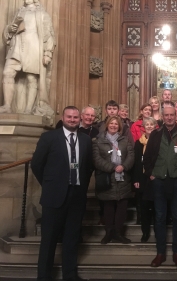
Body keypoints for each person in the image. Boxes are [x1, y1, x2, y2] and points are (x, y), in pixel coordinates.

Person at [31, 106, 92, 281]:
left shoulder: (86, 140)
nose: (72, 120)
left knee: (72, 238)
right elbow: (36, 164)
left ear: (79, 118)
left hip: (77, 196)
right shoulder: (49, 137)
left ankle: (70, 275)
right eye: (69, 117)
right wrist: (49, 184)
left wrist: (81, 186)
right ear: (63, 117)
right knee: (49, 240)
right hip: (54, 197)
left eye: (75, 117)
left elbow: (88, 168)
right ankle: (44, 276)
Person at [143, 106, 177, 268]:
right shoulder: (156, 135)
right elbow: (148, 156)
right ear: (163, 117)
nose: (170, 117)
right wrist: (150, 173)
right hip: (158, 180)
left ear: (176, 116)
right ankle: (160, 253)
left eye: (172, 115)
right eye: (167, 115)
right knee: (159, 217)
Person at [0, 0, 55, 117]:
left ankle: (28, 109)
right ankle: (7, 106)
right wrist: (10, 28)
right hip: (17, 47)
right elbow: (10, 31)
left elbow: (49, 34)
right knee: (7, 73)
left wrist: (47, 53)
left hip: (33, 48)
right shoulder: (19, 12)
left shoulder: (42, 14)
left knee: (32, 78)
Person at [92, 116, 135, 244]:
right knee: (108, 207)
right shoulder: (97, 141)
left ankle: (118, 233)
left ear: (119, 126)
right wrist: (112, 167)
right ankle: (109, 232)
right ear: (107, 125)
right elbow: (96, 159)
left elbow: (131, 156)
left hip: (123, 178)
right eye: (111, 123)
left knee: (122, 207)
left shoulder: (125, 140)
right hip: (107, 178)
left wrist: (123, 166)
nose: (114, 125)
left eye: (116, 124)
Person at [133, 117, 157, 242]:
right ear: (143, 127)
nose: (149, 126)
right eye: (146, 124)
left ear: (155, 126)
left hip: (155, 177)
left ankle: (158, 232)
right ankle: (145, 232)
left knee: (156, 207)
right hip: (142, 178)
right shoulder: (138, 143)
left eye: (151, 124)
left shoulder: (159, 141)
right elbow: (136, 162)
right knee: (143, 207)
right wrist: (136, 179)